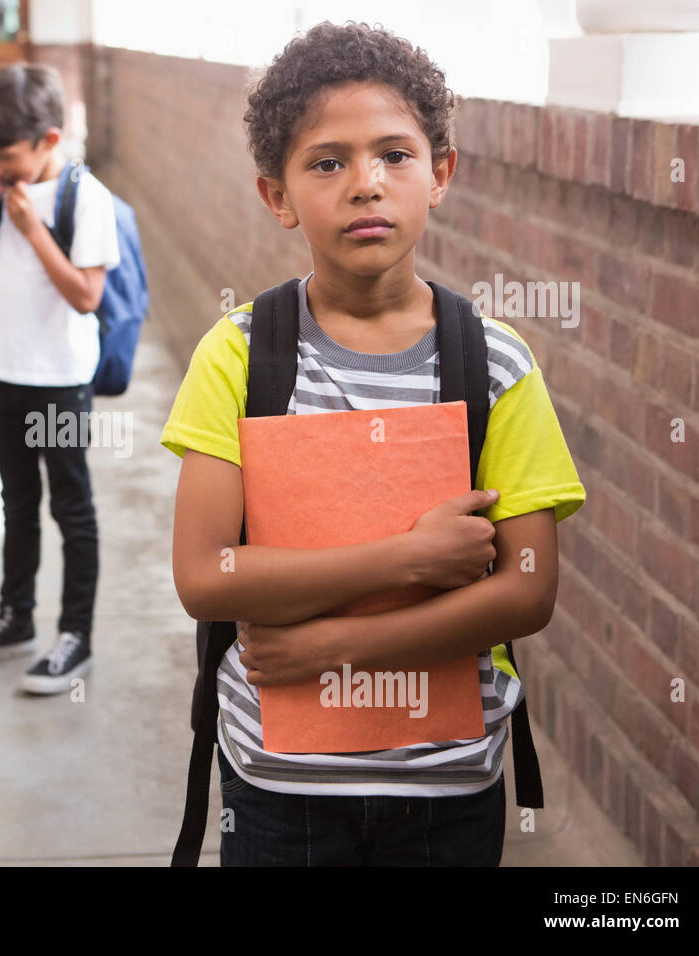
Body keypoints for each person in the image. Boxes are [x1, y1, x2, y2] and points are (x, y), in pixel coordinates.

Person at [160, 22, 587, 865]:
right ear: (276, 196)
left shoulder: (493, 362)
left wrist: (332, 648)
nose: (366, 185)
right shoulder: (242, 355)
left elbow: (527, 592)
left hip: (448, 786)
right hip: (280, 788)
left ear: (441, 175)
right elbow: (206, 576)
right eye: (327, 162)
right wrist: (410, 558)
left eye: (395, 154)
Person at [0, 64, 120, 694]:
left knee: (71, 506)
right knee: (15, 502)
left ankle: (75, 634)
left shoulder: (84, 197)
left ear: (48, 140)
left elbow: (86, 297)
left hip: (61, 380)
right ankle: (15, 617)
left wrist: (31, 230)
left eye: (7, 155)